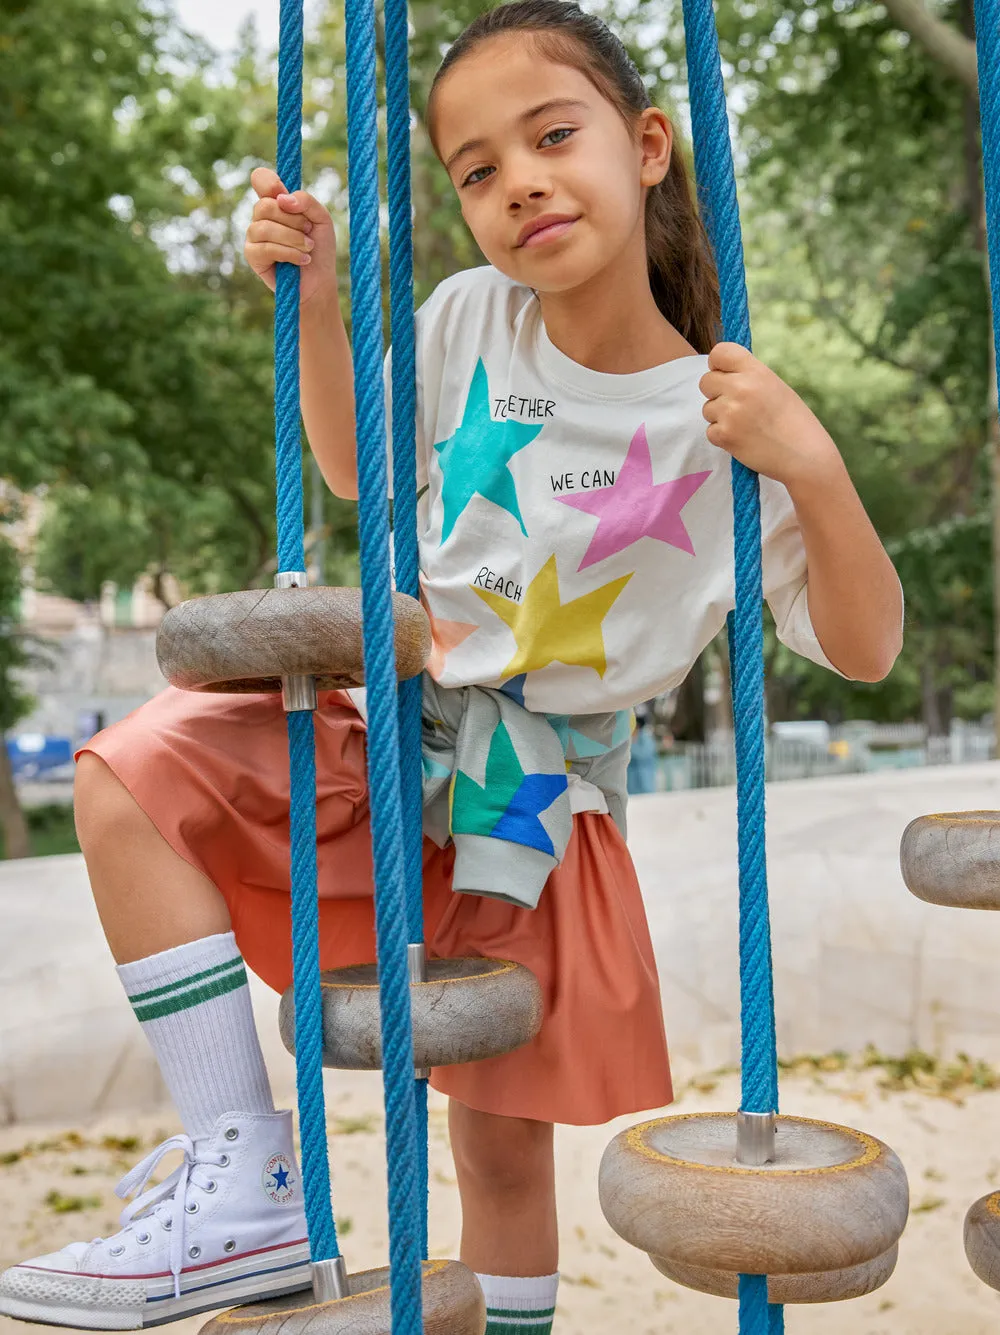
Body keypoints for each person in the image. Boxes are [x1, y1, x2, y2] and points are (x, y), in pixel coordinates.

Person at [0, 2, 904, 1331]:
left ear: (647, 145)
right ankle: (245, 1171)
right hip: (394, 740)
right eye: (477, 169)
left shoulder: (723, 415)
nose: (518, 179)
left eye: (553, 135)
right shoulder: (474, 314)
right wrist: (308, 303)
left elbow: (869, 644)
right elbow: (360, 463)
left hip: (535, 807)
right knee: (132, 770)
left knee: (494, 1146)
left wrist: (813, 465)